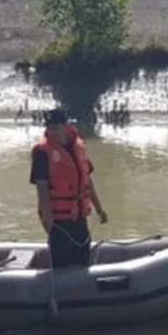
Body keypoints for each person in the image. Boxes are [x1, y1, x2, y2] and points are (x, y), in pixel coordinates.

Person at [30, 108, 109, 269]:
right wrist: (47, 218)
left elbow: (87, 180)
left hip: (79, 217)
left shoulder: (78, 147)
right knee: (62, 264)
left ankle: (83, 290)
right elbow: (42, 187)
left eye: (56, 127)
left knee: (82, 259)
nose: (53, 131)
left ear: (66, 125)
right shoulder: (42, 152)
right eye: (50, 128)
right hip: (59, 222)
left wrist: (99, 209)